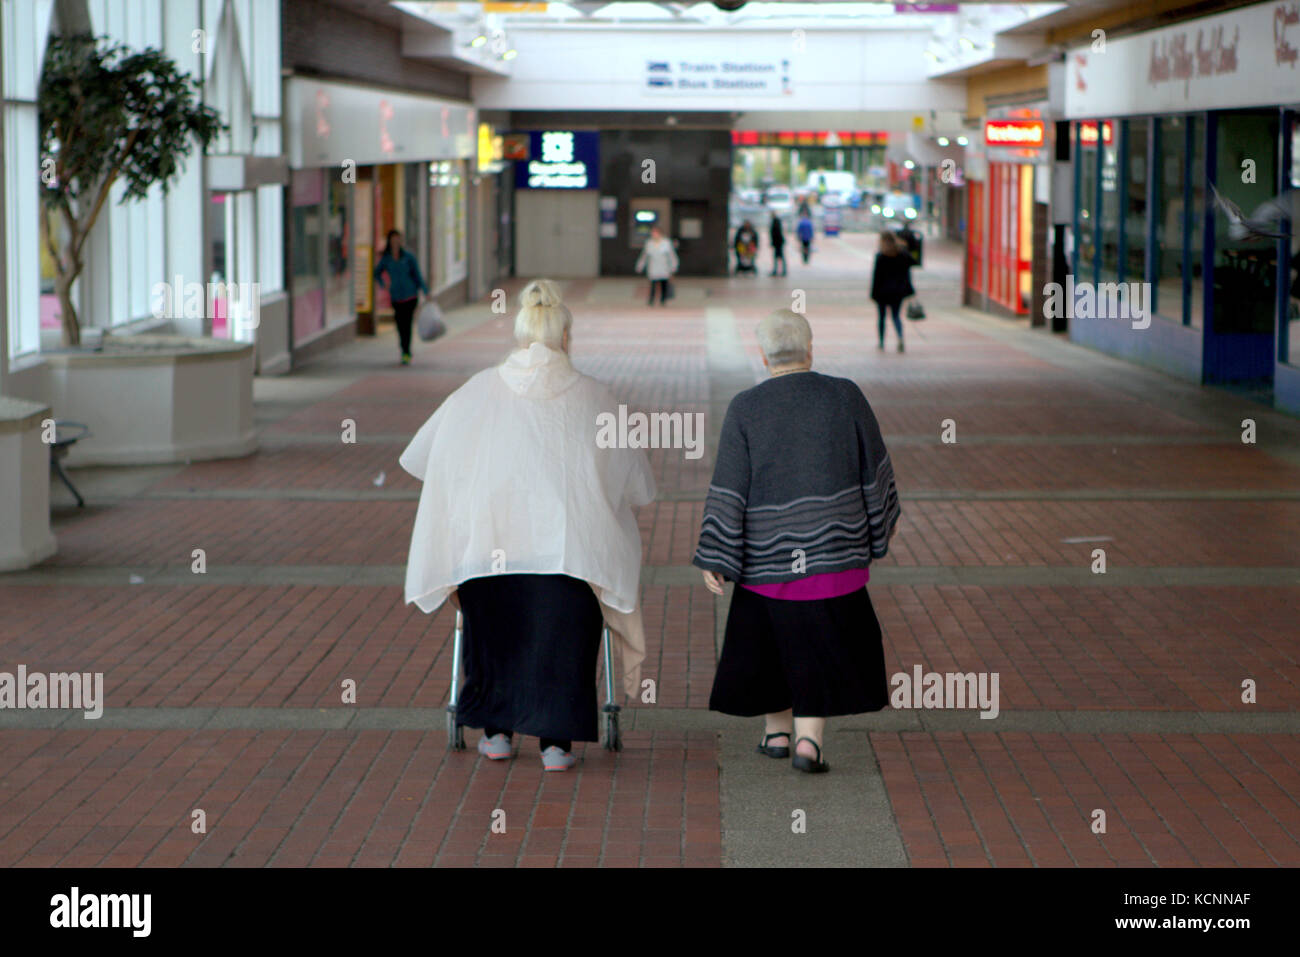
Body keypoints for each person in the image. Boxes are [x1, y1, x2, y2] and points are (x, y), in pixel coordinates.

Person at [399, 279, 656, 771]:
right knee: (566, 627)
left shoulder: (474, 393)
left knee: (491, 626)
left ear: (519, 336)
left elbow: (429, 460)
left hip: (487, 564)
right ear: (567, 336)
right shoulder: (596, 399)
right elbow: (636, 486)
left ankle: (495, 733)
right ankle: (555, 743)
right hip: (569, 567)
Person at [694, 309, 899, 774]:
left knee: (769, 643)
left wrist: (716, 553)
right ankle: (807, 743)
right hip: (835, 557)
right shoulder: (845, 396)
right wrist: (877, 530)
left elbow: (730, 488)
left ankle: (777, 734)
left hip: (767, 563)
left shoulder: (746, 407)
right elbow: (875, 470)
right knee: (819, 645)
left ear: (764, 357)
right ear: (810, 350)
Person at [373, 230, 430, 366]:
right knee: (400, 324)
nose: (396, 242)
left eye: (398, 239)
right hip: (396, 297)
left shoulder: (408, 257)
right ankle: (403, 349)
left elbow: (417, 275)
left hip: (410, 296)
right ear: (390, 241)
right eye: (393, 239)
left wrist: (425, 291)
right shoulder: (386, 259)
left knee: (407, 324)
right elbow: (377, 273)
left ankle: (406, 351)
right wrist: (383, 284)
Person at [870, 231, 914, 353]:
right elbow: (910, 268)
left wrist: (873, 294)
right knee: (896, 316)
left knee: (882, 317)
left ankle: (881, 342)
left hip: (882, 292)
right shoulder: (902, 254)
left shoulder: (881, 256)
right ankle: (900, 337)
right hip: (897, 292)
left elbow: (876, 277)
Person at [635, 226, 679, 305]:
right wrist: (640, 265)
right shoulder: (649, 243)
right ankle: (651, 300)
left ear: (660, 234)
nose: (653, 235)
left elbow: (671, 255)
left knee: (663, 284)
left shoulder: (666, 243)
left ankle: (663, 300)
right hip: (653, 267)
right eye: (652, 233)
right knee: (653, 284)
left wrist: (674, 266)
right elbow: (644, 256)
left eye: (655, 233)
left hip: (664, 267)